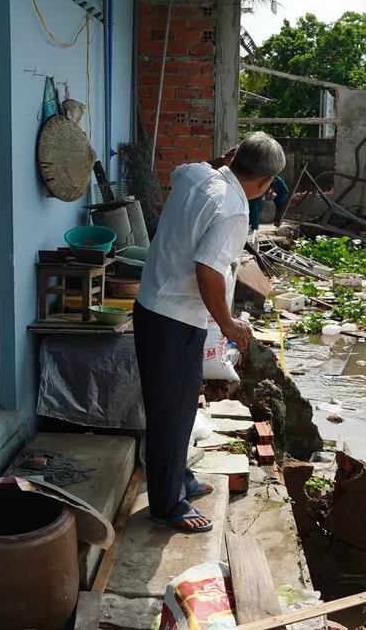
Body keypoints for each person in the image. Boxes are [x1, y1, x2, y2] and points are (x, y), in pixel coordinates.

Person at [134, 132, 285, 533]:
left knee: (183, 406)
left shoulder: (196, 174)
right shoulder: (235, 210)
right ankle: (166, 505)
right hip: (174, 318)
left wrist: (223, 161)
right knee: (169, 411)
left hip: (158, 306)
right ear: (267, 181)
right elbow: (208, 271)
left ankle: (177, 480)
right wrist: (228, 324)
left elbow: (186, 169)